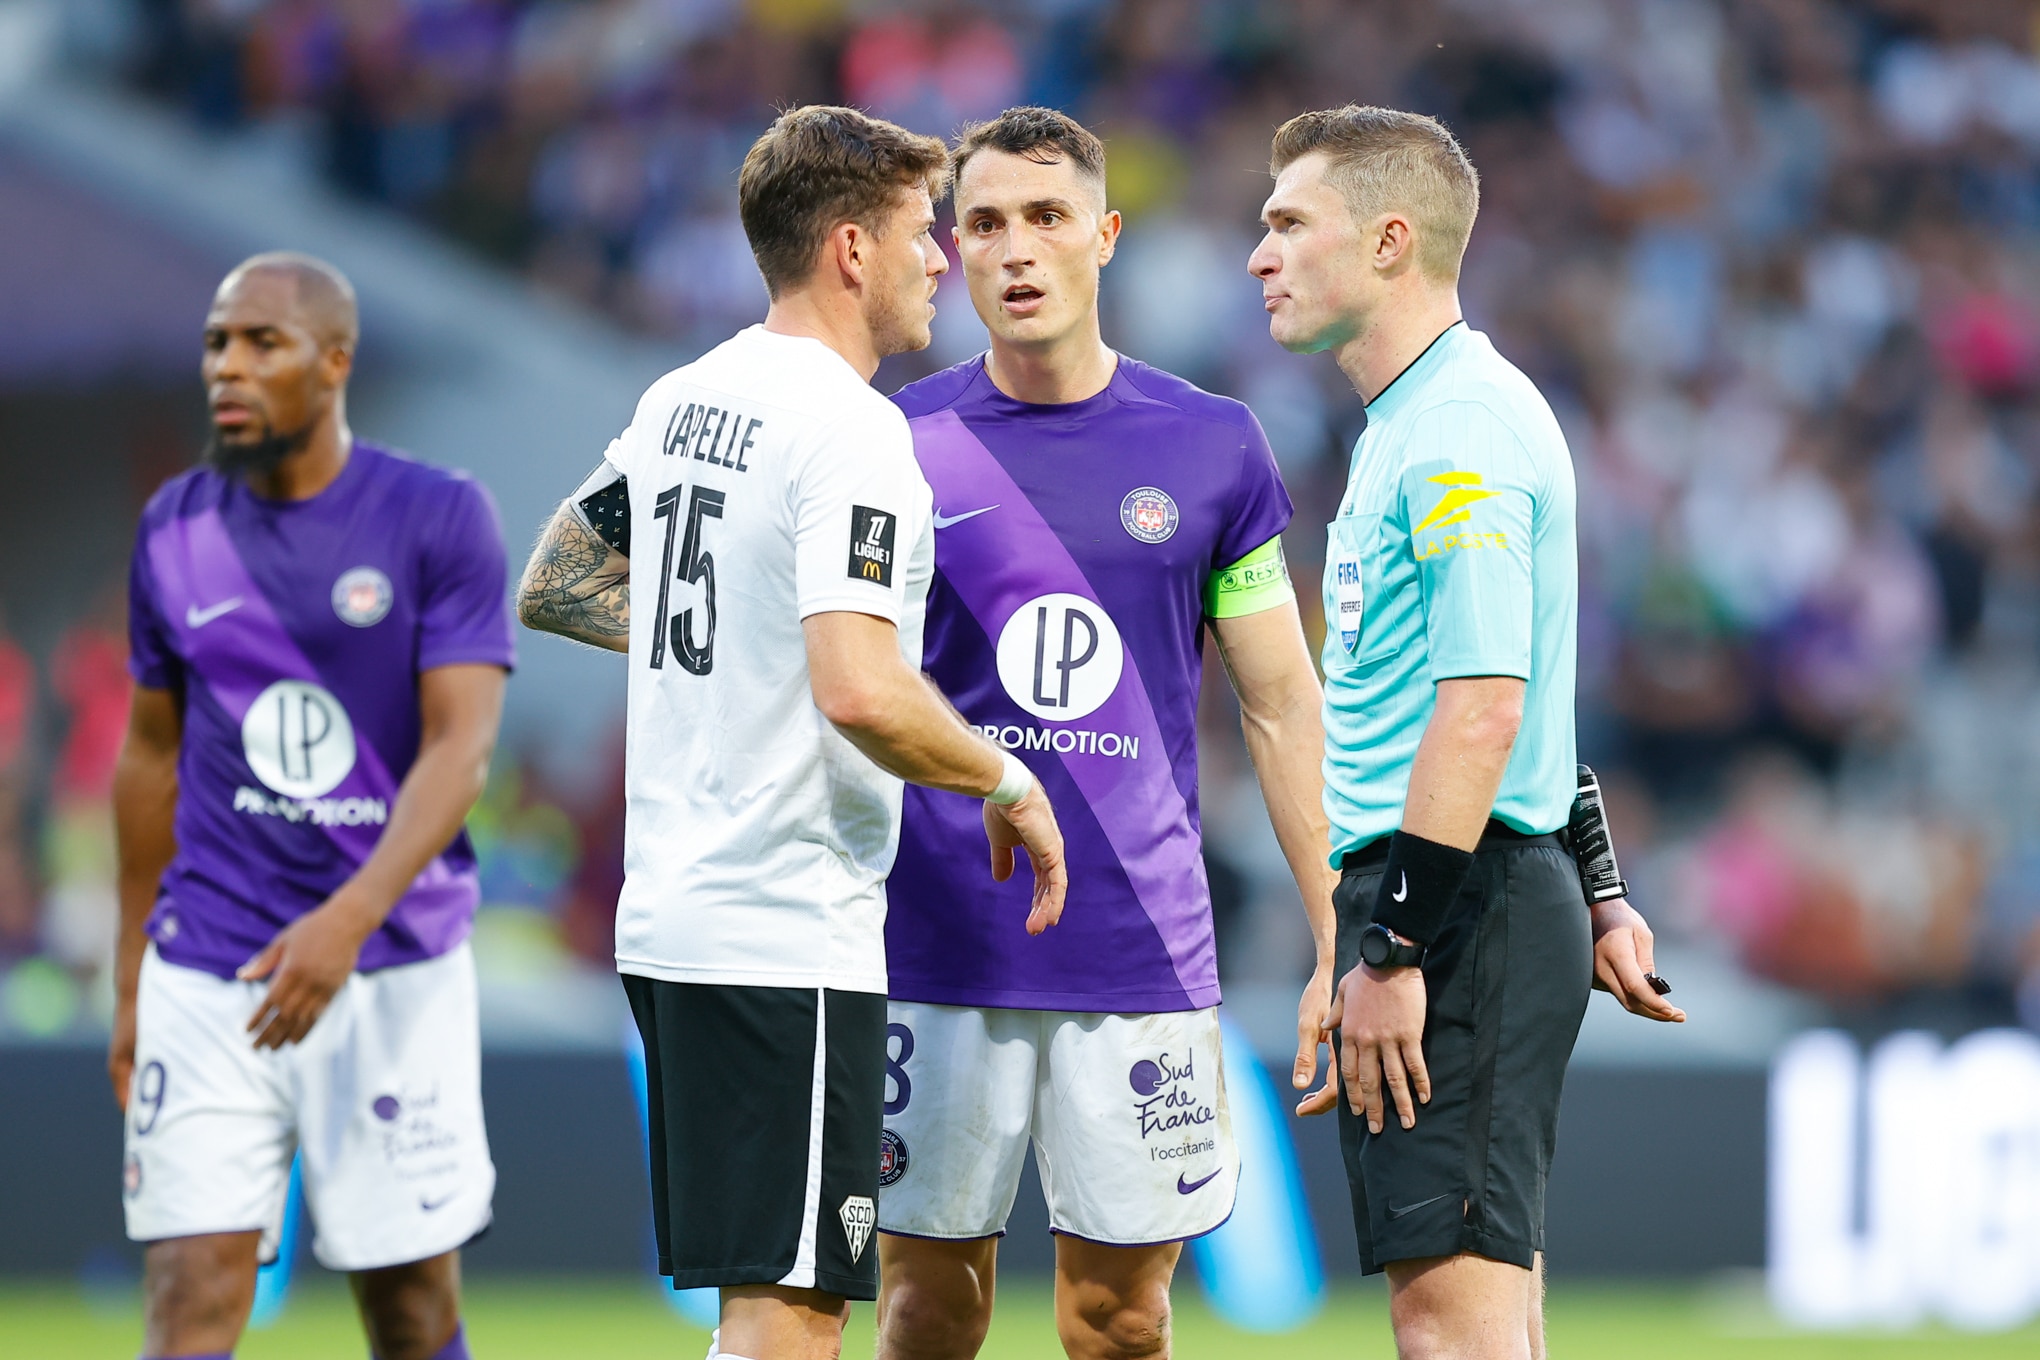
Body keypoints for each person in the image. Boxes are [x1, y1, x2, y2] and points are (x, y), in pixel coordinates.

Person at [514, 105, 1069, 1360]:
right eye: (923, 233)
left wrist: (747, 648)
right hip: (784, 921)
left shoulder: (683, 400)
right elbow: (863, 689)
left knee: (760, 1301)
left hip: (673, 917)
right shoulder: (854, 428)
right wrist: (1004, 777)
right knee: (795, 1316)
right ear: (852, 251)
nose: (943, 261)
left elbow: (553, 580)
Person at [872, 108, 1337, 1360]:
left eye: (1045, 218)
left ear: (1106, 236)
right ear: (951, 250)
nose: (1015, 250)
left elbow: (1282, 701)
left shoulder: (1214, 447)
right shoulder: (893, 448)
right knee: (925, 1313)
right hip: (934, 943)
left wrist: (1338, 922)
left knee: (1123, 1321)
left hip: (1139, 951)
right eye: (983, 224)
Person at [1248, 106, 1685, 1360]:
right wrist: (1597, 885)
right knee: (1488, 1314)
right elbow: (1524, 686)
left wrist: (1390, 945)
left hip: (1452, 904)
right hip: (1470, 891)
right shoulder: (1417, 420)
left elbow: (1489, 705)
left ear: (1389, 241)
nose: (1259, 254)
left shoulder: (1455, 435)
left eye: (1289, 223)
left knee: (1456, 1328)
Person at [111, 252, 514, 1360]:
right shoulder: (172, 529)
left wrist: (347, 918)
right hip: (212, 965)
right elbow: (148, 761)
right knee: (188, 1303)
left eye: (261, 343)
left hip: (391, 965)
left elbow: (461, 748)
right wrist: (131, 975)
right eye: (215, 343)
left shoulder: (437, 516)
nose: (227, 368)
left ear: (335, 362)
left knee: (411, 1312)